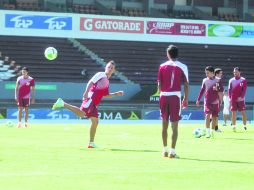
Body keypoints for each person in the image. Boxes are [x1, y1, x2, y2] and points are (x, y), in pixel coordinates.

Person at [52, 60, 124, 148]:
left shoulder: (107, 82)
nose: (110, 69)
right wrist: (86, 92)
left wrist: (116, 94)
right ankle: (63, 104)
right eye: (109, 67)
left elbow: (105, 95)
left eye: (112, 68)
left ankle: (91, 143)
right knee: (82, 114)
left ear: (114, 71)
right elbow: (91, 82)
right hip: (91, 98)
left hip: (94, 103)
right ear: (106, 67)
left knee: (95, 122)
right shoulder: (101, 74)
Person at [157, 45, 189, 158]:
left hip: (163, 96)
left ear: (168, 54)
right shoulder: (183, 66)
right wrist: (185, 98)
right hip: (175, 96)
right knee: (174, 126)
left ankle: (164, 150)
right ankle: (172, 151)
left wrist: (161, 94)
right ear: (177, 54)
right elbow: (186, 84)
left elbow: (159, 84)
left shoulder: (162, 66)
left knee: (164, 125)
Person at [196, 66, 224, 138]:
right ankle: (207, 132)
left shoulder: (218, 80)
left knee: (214, 117)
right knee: (208, 115)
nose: (206, 74)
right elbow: (202, 90)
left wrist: (221, 100)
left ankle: (212, 132)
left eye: (207, 73)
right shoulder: (205, 80)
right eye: (206, 73)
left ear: (212, 73)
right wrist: (198, 99)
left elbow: (221, 91)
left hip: (216, 102)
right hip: (207, 101)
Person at [228, 67, 247, 131]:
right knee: (233, 113)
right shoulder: (231, 80)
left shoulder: (243, 80)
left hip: (241, 100)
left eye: (236, 72)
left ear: (239, 72)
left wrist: (241, 97)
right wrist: (230, 98)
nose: (235, 73)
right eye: (234, 72)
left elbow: (244, 90)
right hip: (233, 99)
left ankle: (244, 126)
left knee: (243, 113)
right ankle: (234, 126)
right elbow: (229, 90)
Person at [214, 68, 224, 132]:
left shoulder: (212, 80)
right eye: (220, 73)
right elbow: (219, 92)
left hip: (211, 99)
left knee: (211, 115)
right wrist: (221, 100)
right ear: (217, 74)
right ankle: (216, 128)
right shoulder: (218, 80)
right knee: (215, 115)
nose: (221, 74)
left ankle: (208, 128)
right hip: (216, 100)